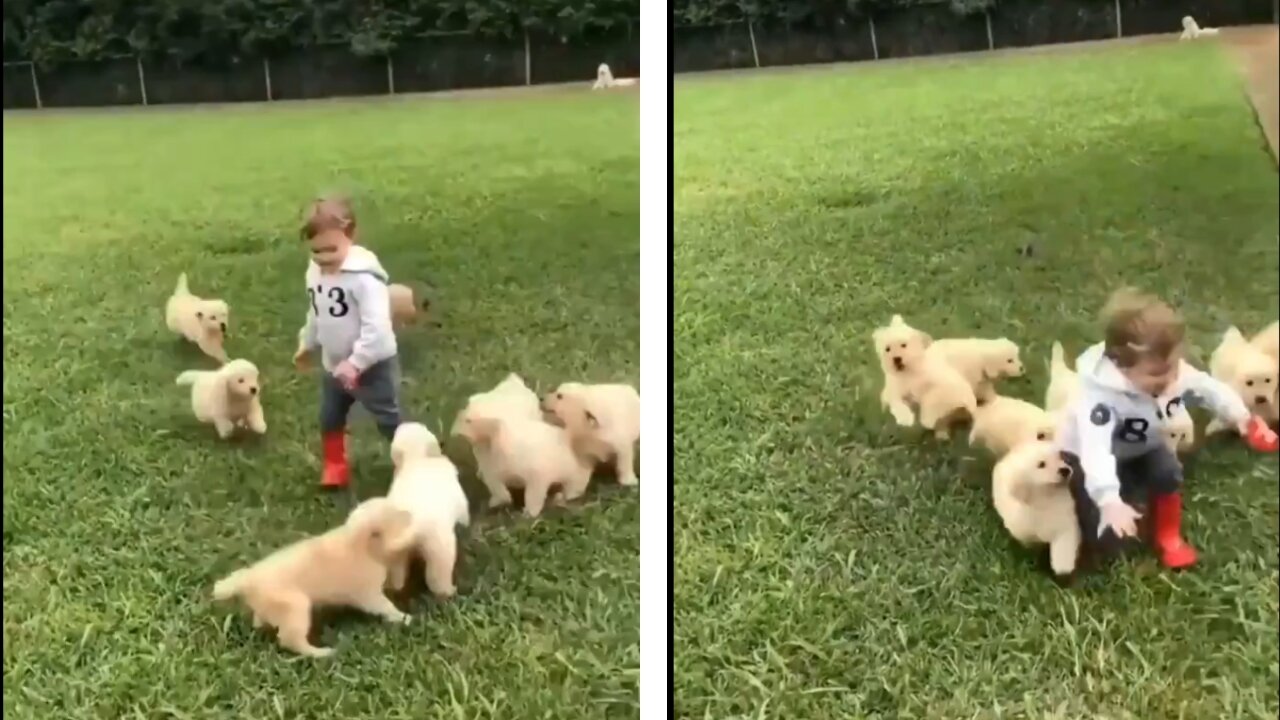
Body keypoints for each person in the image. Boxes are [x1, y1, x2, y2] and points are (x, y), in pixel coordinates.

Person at [1059, 289, 1275, 569]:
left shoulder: (1173, 374)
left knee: (1168, 470)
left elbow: (1209, 389)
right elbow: (1096, 450)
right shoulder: (1101, 400)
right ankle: (1089, 513)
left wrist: (1242, 418)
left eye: (1173, 366)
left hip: (1143, 444)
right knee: (1109, 541)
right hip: (1088, 456)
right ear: (1120, 365)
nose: (1170, 379)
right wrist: (1108, 498)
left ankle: (1167, 535)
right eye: (1157, 373)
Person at [293, 197, 400, 488]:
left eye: (331, 249)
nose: (324, 257)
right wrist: (308, 342)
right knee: (330, 416)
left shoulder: (365, 280)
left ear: (350, 236)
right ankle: (335, 465)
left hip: (371, 364)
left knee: (388, 416)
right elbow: (317, 312)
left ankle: (414, 460)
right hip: (334, 364)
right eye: (316, 251)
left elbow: (377, 329)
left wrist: (356, 363)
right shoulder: (315, 273)